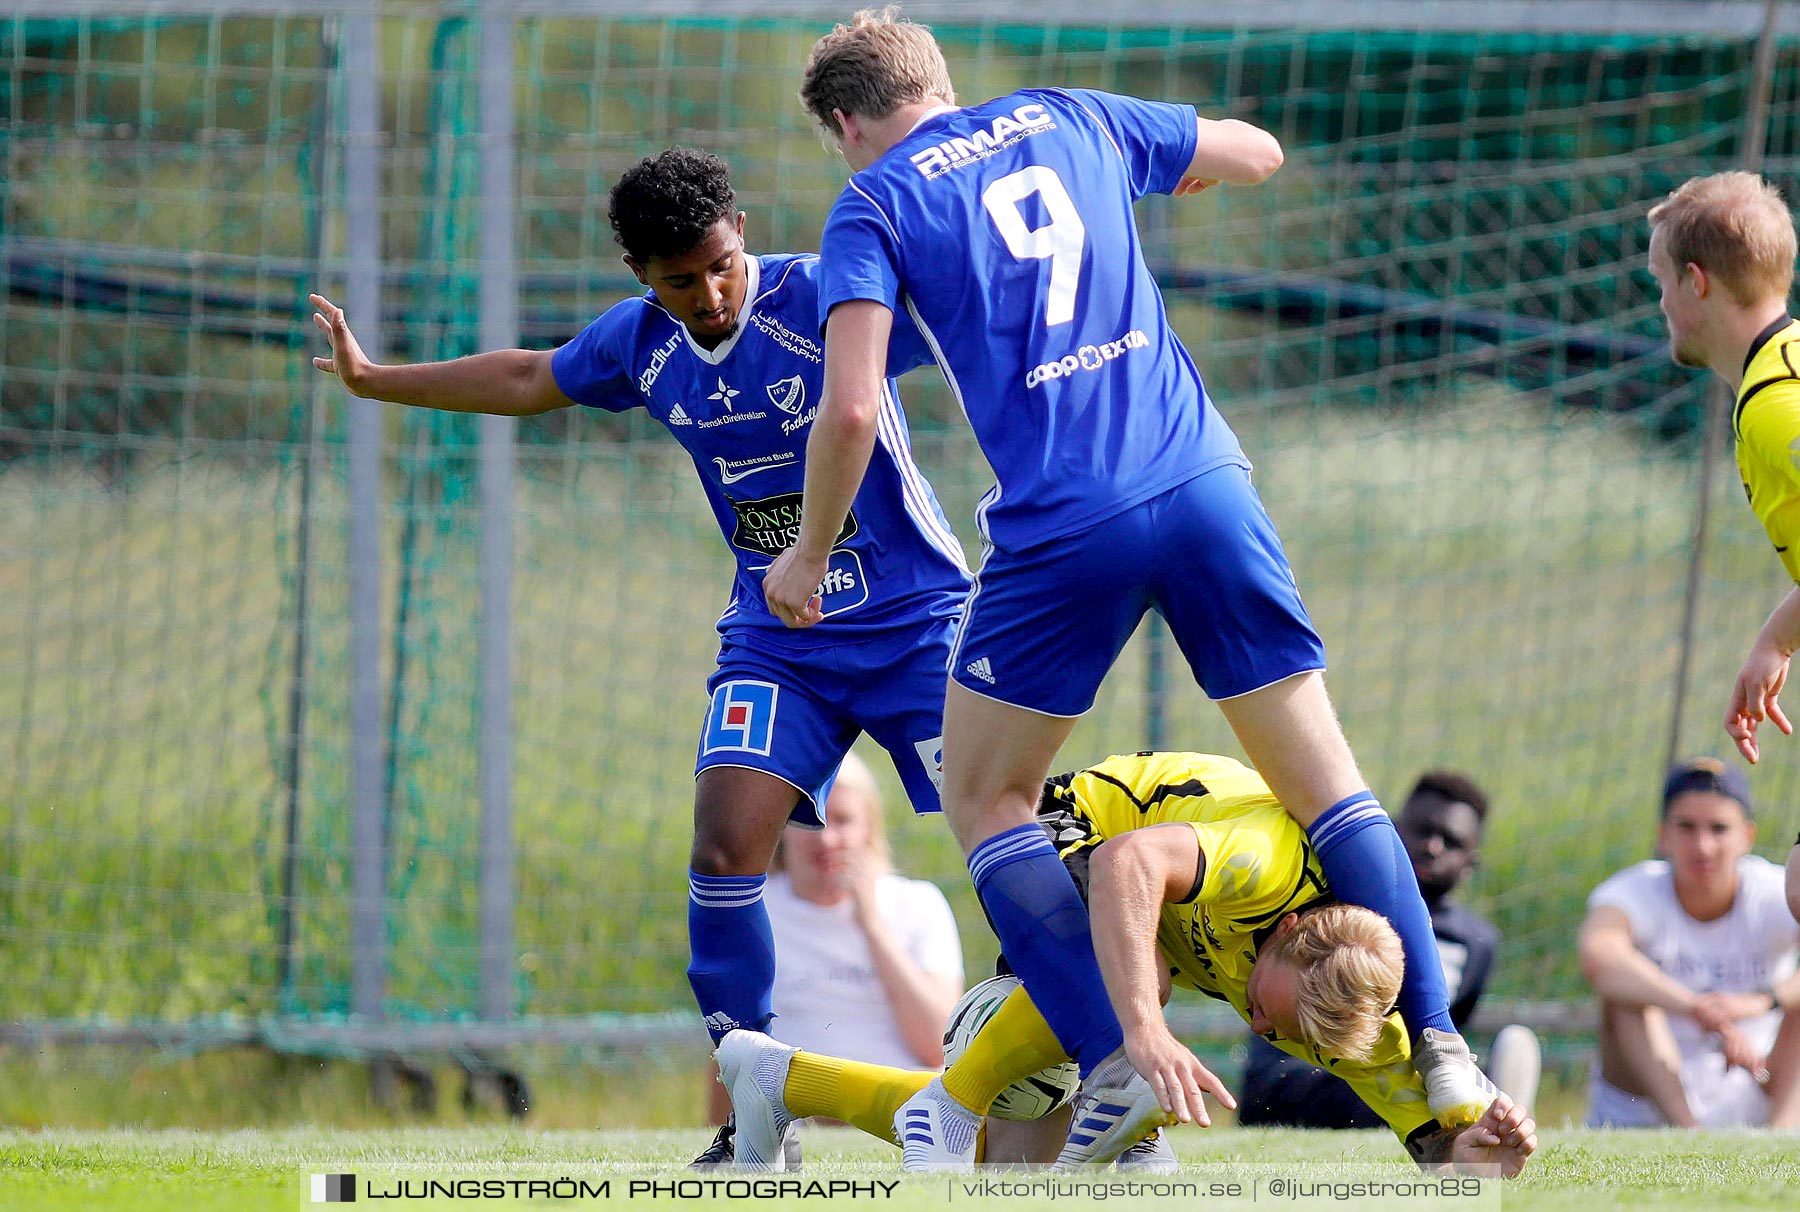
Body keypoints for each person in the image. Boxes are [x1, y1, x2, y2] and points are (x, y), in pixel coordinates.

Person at [762, 6, 1487, 1157]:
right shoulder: (1072, 114)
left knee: (989, 798)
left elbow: (853, 405)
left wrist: (807, 552)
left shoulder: (875, 200)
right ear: (942, 83)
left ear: (847, 123)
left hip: (1066, 524)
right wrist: (1180, 173)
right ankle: (1442, 1039)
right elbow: (1257, 152)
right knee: (1329, 787)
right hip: (1204, 485)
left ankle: (1114, 1058)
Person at [308, 147, 971, 1166]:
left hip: (916, 620)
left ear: (740, 230)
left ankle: (1088, 1086)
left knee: (1009, 844)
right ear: (638, 273)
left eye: (717, 265)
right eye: (678, 281)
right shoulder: (643, 344)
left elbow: (975, 321)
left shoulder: (831, 295)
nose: (707, 295)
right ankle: (757, 1118)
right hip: (778, 637)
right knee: (722, 849)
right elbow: (532, 375)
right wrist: (375, 380)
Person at [715, 752, 1537, 1175]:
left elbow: (1436, 1144)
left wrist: (1475, 1152)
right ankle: (963, 1093)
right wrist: (1142, 1033)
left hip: (1146, 926)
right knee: (1125, 1000)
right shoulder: (1264, 864)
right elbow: (1125, 868)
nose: (1253, 1025)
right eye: (1262, 1004)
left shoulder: (1345, 1021)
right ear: (1285, 926)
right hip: (1071, 832)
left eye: (1276, 1034)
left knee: (1016, 1164)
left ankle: (779, 1080)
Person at [1239, 771, 1541, 1125]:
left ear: (1470, 865)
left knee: (1420, 1090)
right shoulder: (1333, 901)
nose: (1432, 847)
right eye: (1422, 831)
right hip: (1300, 1074)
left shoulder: (1477, 942)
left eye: (1451, 841)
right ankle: (1479, 1111)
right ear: (1392, 829)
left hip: (1395, 1081)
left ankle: (1493, 1106)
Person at [1645, 173, 1800, 766]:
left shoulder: (1775, 403)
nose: (1661, 302)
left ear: (1695, 282)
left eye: (1662, 281)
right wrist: (1775, 641)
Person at [1578, 757, 1800, 1128]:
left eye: (1718, 828)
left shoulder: (1773, 891)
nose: (1703, 846)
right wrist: (1700, 1009)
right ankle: (1689, 1134)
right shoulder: (1634, 890)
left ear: (1747, 836)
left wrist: (1760, 1002)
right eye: (1686, 828)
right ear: (1663, 835)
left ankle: (1784, 1136)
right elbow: (1599, 955)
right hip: (1648, 1100)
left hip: (1757, 1077)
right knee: (1626, 999)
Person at [764, 751, 964, 1068]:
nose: (827, 840)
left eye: (842, 820)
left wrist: (871, 924)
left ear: (868, 826)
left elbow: (939, 1044)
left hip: (902, 1109)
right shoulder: (757, 912)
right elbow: (731, 1047)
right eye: (811, 820)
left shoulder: (918, 904)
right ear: (783, 827)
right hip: (797, 1112)